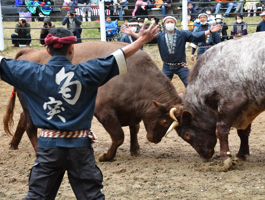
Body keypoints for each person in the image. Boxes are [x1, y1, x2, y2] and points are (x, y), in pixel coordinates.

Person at [0, 24, 159, 200]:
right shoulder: (87, 71)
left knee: (37, 196)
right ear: (72, 49)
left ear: (47, 49)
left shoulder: (30, 72)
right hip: (80, 149)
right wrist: (142, 40)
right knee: (91, 196)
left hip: (48, 149)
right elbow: (118, 57)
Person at [121, 16, 221, 87]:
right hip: (166, 67)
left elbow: (195, 36)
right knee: (161, 86)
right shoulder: (159, 35)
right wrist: (131, 33)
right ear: (164, 24)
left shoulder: (183, 34)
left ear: (175, 23)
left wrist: (210, 31)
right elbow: (144, 39)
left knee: (190, 84)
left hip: (181, 66)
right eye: (167, 22)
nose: (169, 24)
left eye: (171, 22)